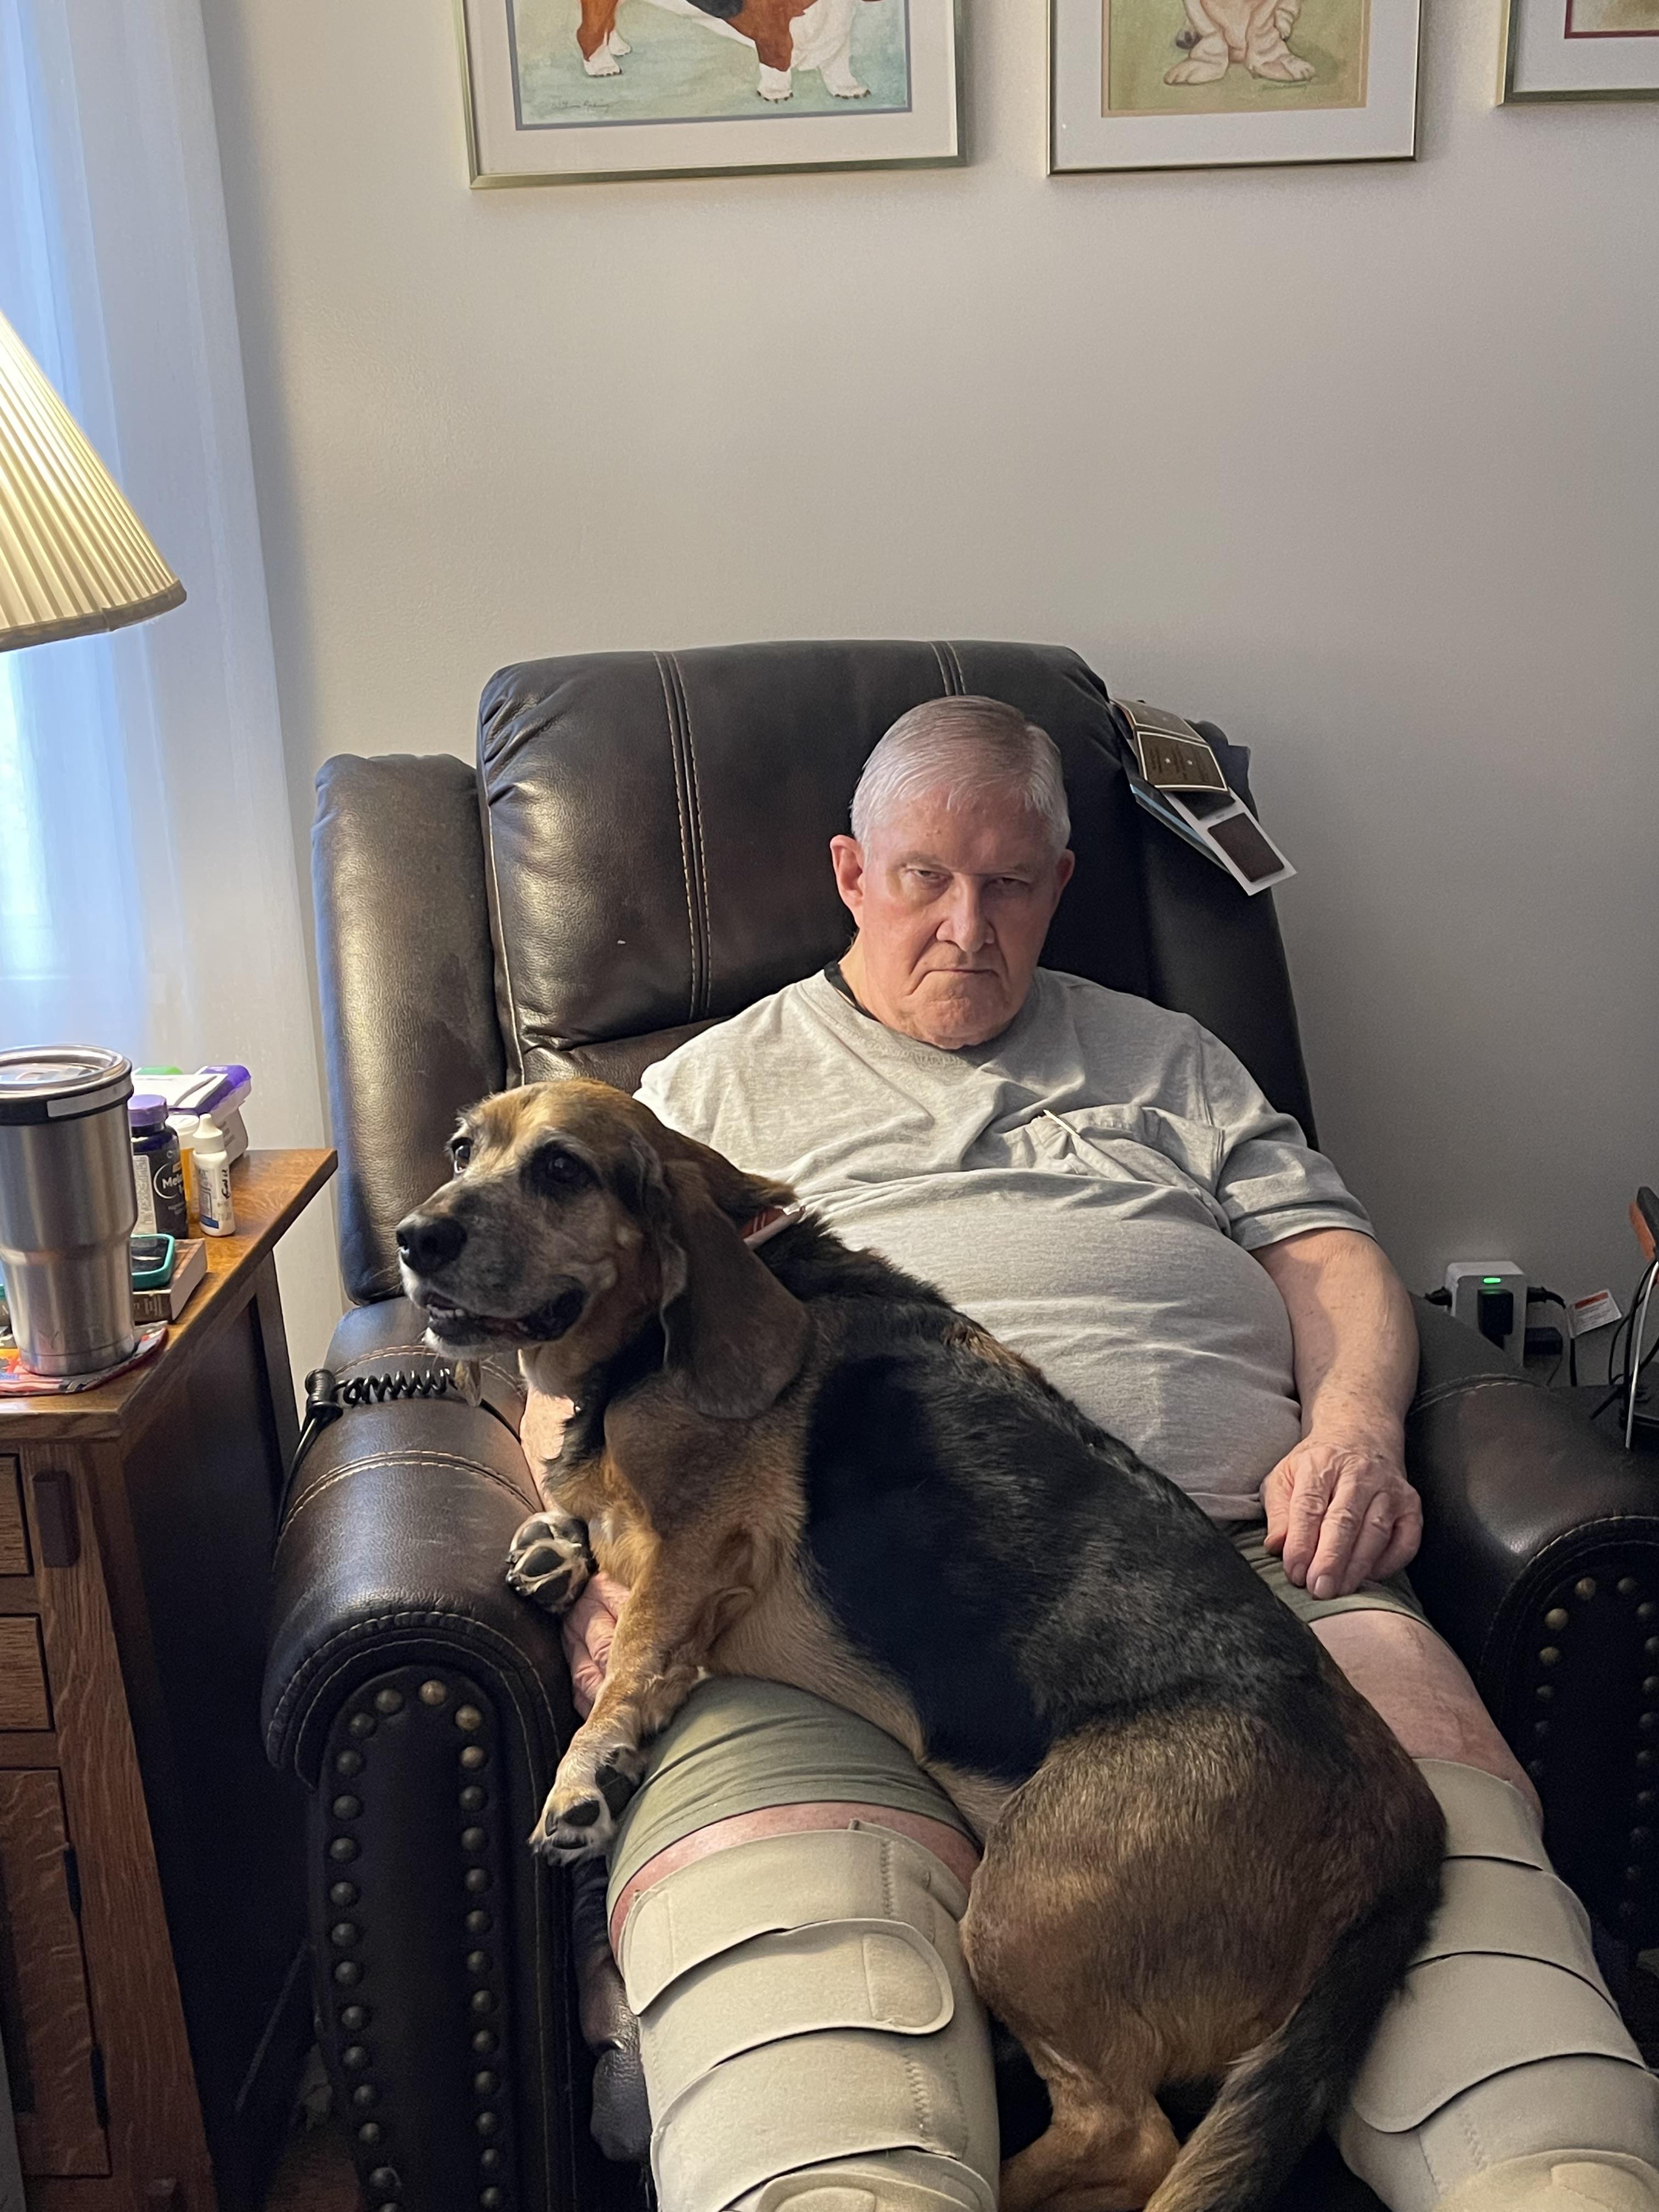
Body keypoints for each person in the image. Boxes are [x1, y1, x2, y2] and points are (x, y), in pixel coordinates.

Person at [526, 696, 1659, 2212]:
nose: (968, 927)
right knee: (810, 2093)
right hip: (801, 1628)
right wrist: (612, 1552)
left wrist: (1355, 1431)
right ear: (853, 874)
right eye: (926, 878)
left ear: (1063, 886)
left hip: (1240, 1596)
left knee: (1511, 2050)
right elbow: (573, 1337)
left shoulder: (1171, 1059)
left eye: (1010, 884)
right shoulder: (706, 1095)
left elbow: (1328, 1257)